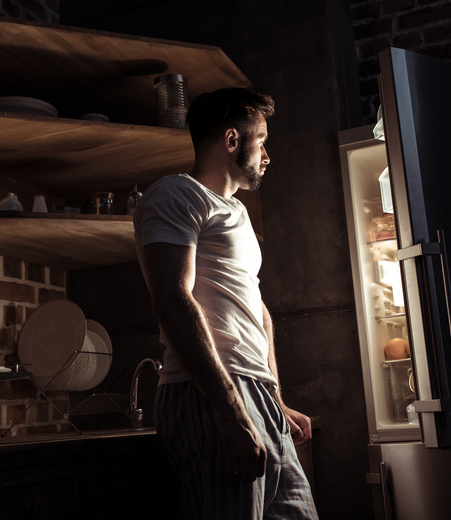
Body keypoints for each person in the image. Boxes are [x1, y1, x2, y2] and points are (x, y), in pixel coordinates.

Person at [134, 87, 319, 519]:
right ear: (233, 141)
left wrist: (274, 396)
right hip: (210, 393)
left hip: (257, 395)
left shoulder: (236, 211)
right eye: (262, 141)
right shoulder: (176, 195)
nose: (268, 155)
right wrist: (231, 410)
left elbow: (255, 305)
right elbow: (172, 299)